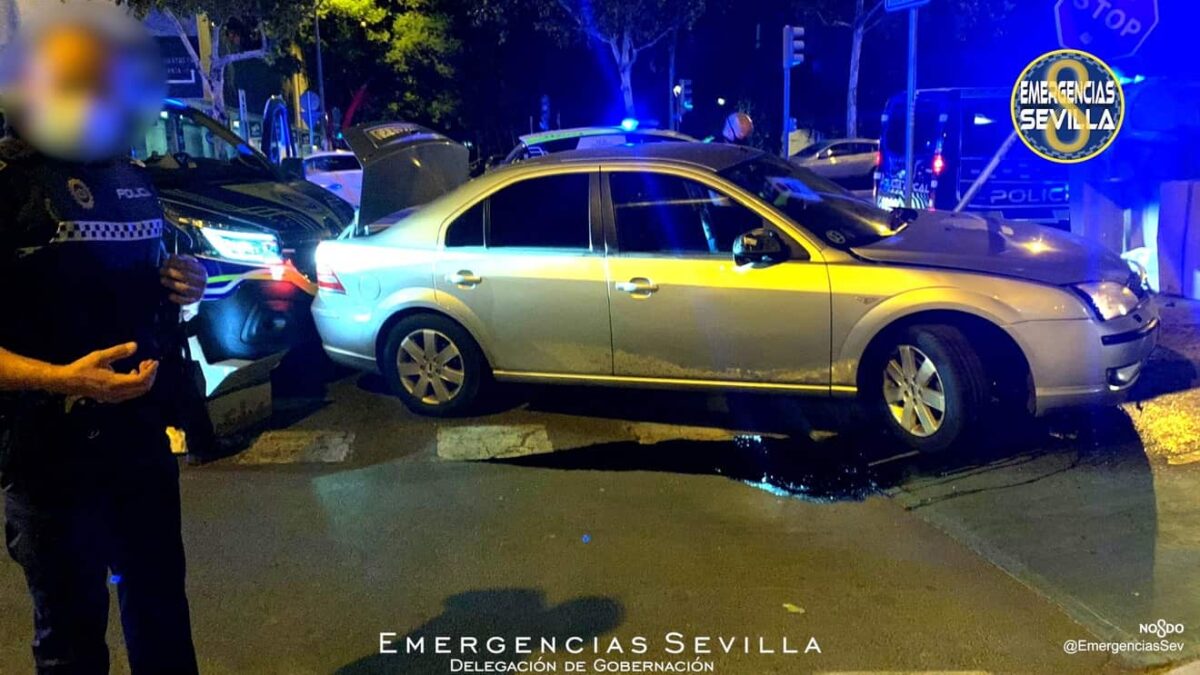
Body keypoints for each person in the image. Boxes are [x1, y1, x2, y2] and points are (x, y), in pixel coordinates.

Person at [0, 7, 207, 673]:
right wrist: (64, 379)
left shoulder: (131, 178)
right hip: (47, 458)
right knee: (71, 637)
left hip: (140, 445)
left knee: (162, 616)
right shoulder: (7, 188)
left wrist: (182, 278)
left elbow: (142, 284)